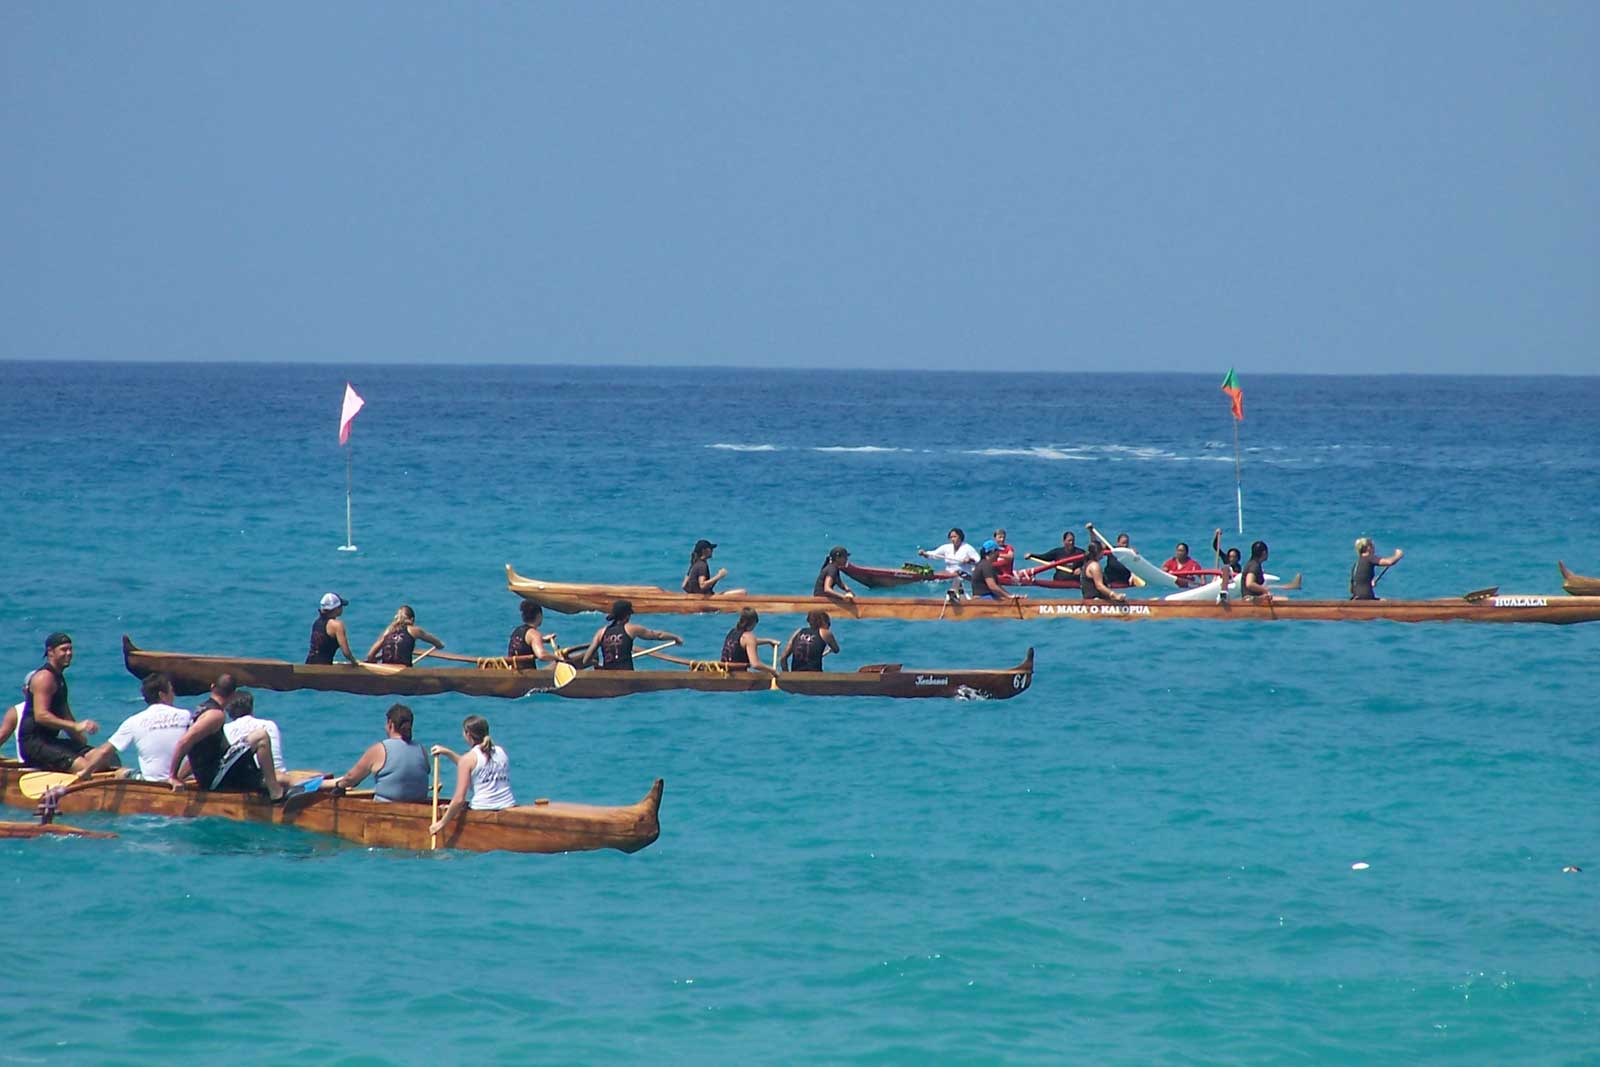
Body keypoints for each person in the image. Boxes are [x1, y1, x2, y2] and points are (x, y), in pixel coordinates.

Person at [167, 690, 288, 800]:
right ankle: (276, 794)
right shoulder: (216, 717)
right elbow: (184, 742)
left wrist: (178, 776)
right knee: (261, 737)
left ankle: (277, 789)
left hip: (220, 774)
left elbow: (195, 755)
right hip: (216, 779)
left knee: (266, 777)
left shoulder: (208, 719)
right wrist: (173, 777)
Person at [73, 673, 191, 782]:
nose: (174, 695)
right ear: (162, 695)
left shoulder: (133, 721)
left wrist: (85, 772)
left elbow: (104, 752)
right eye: (171, 691)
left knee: (121, 772)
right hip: (183, 779)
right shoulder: (186, 715)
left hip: (152, 782)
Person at [17, 632, 99, 772]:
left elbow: (65, 713)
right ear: (50, 652)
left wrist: (79, 739)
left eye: (70, 649)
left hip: (51, 741)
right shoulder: (44, 677)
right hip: (34, 743)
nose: (69, 653)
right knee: (85, 767)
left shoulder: (59, 678)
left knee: (101, 758)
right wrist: (76, 726)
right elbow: (41, 716)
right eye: (64, 649)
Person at [430, 715, 515, 837]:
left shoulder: (468, 759)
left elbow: (459, 799)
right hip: (508, 805)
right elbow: (473, 767)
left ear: (467, 734)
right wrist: (447, 752)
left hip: (482, 808)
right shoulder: (501, 752)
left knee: (453, 805)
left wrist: (441, 823)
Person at [330, 703, 430, 803]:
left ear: (390, 724)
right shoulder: (421, 750)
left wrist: (340, 786)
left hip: (387, 808)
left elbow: (351, 778)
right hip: (420, 806)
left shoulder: (380, 749)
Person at [580, 600, 683, 671]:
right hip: (627, 673)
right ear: (627, 615)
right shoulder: (631, 629)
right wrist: (675, 637)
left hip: (608, 673)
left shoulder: (601, 632)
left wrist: (597, 665)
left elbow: (586, 660)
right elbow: (657, 635)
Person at [222, 689, 286, 775]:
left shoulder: (225, 729)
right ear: (251, 707)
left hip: (254, 778)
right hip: (279, 773)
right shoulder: (269, 725)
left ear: (228, 711)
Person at [364, 604, 445, 666]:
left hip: (385, 669)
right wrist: (440, 645)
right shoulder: (414, 630)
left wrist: (373, 662)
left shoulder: (388, 630)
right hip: (403, 670)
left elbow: (370, 655)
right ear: (412, 619)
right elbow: (437, 643)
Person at [918, 528, 981, 599]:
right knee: (939, 574)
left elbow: (978, 561)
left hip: (963, 575)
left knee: (956, 574)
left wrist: (970, 560)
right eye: (951, 537)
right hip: (948, 573)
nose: (952, 539)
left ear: (960, 537)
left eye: (954, 537)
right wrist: (924, 553)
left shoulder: (968, 548)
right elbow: (934, 554)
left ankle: (954, 593)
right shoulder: (946, 547)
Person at [719, 608, 780, 678]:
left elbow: (747, 643)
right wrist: (773, 671)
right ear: (753, 623)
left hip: (724, 671)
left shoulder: (732, 632)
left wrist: (769, 641)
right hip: (739, 677)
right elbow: (755, 664)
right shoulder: (749, 637)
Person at [307, 592, 357, 665]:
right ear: (336, 609)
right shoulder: (337, 625)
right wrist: (355, 662)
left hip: (309, 664)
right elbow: (346, 653)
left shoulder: (316, 622)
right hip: (323, 668)